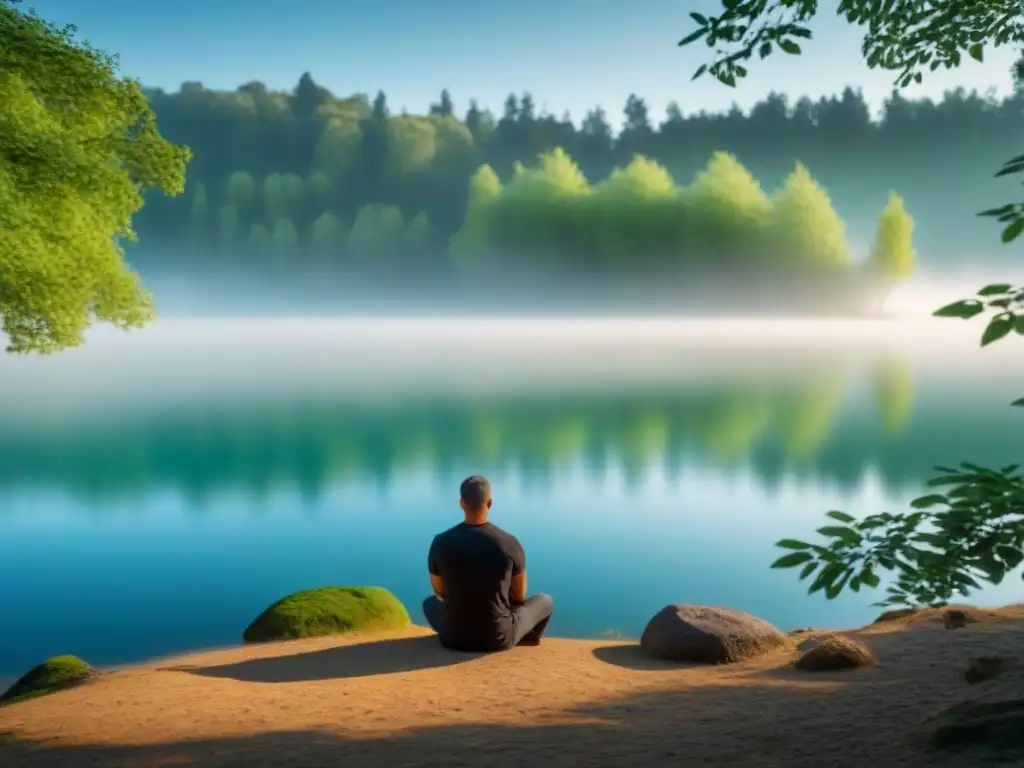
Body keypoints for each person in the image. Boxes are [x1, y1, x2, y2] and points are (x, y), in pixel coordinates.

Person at [422, 475, 554, 652]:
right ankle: (527, 638)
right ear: (489, 503)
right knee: (544, 601)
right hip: (498, 638)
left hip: (452, 636)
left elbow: (439, 592)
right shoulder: (509, 543)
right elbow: (519, 596)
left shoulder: (441, 542)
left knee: (429, 602)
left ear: (461, 503)